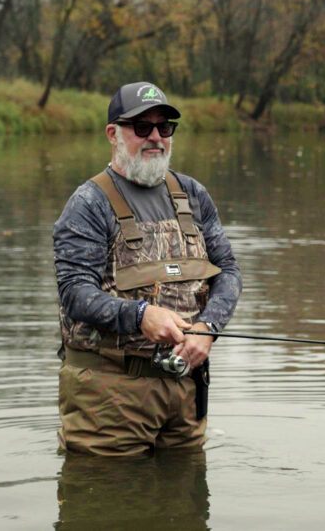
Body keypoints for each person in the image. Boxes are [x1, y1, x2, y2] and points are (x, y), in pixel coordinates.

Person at [53, 81, 241, 456]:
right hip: (108, 396)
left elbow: (229, 272)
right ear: (113, 134)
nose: (156, 137)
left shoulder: (193, 195)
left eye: (164, 127)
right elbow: (75, 293)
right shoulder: (88, 203)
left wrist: (208, 328)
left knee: (186, 506)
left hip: (185, 388)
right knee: (105, 505)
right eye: (142, 127)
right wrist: (140, 315)